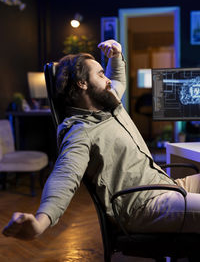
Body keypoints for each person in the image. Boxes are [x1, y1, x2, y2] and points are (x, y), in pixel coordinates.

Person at [2, 39, 200, 240]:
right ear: (82, 83)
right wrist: (40, 222)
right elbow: (64, 177)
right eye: (100, 74)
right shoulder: (80, 131)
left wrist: (116, 56)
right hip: (144, 205)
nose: (107, 79)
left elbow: (118, 80)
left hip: (166, 185)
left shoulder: (109, 104)